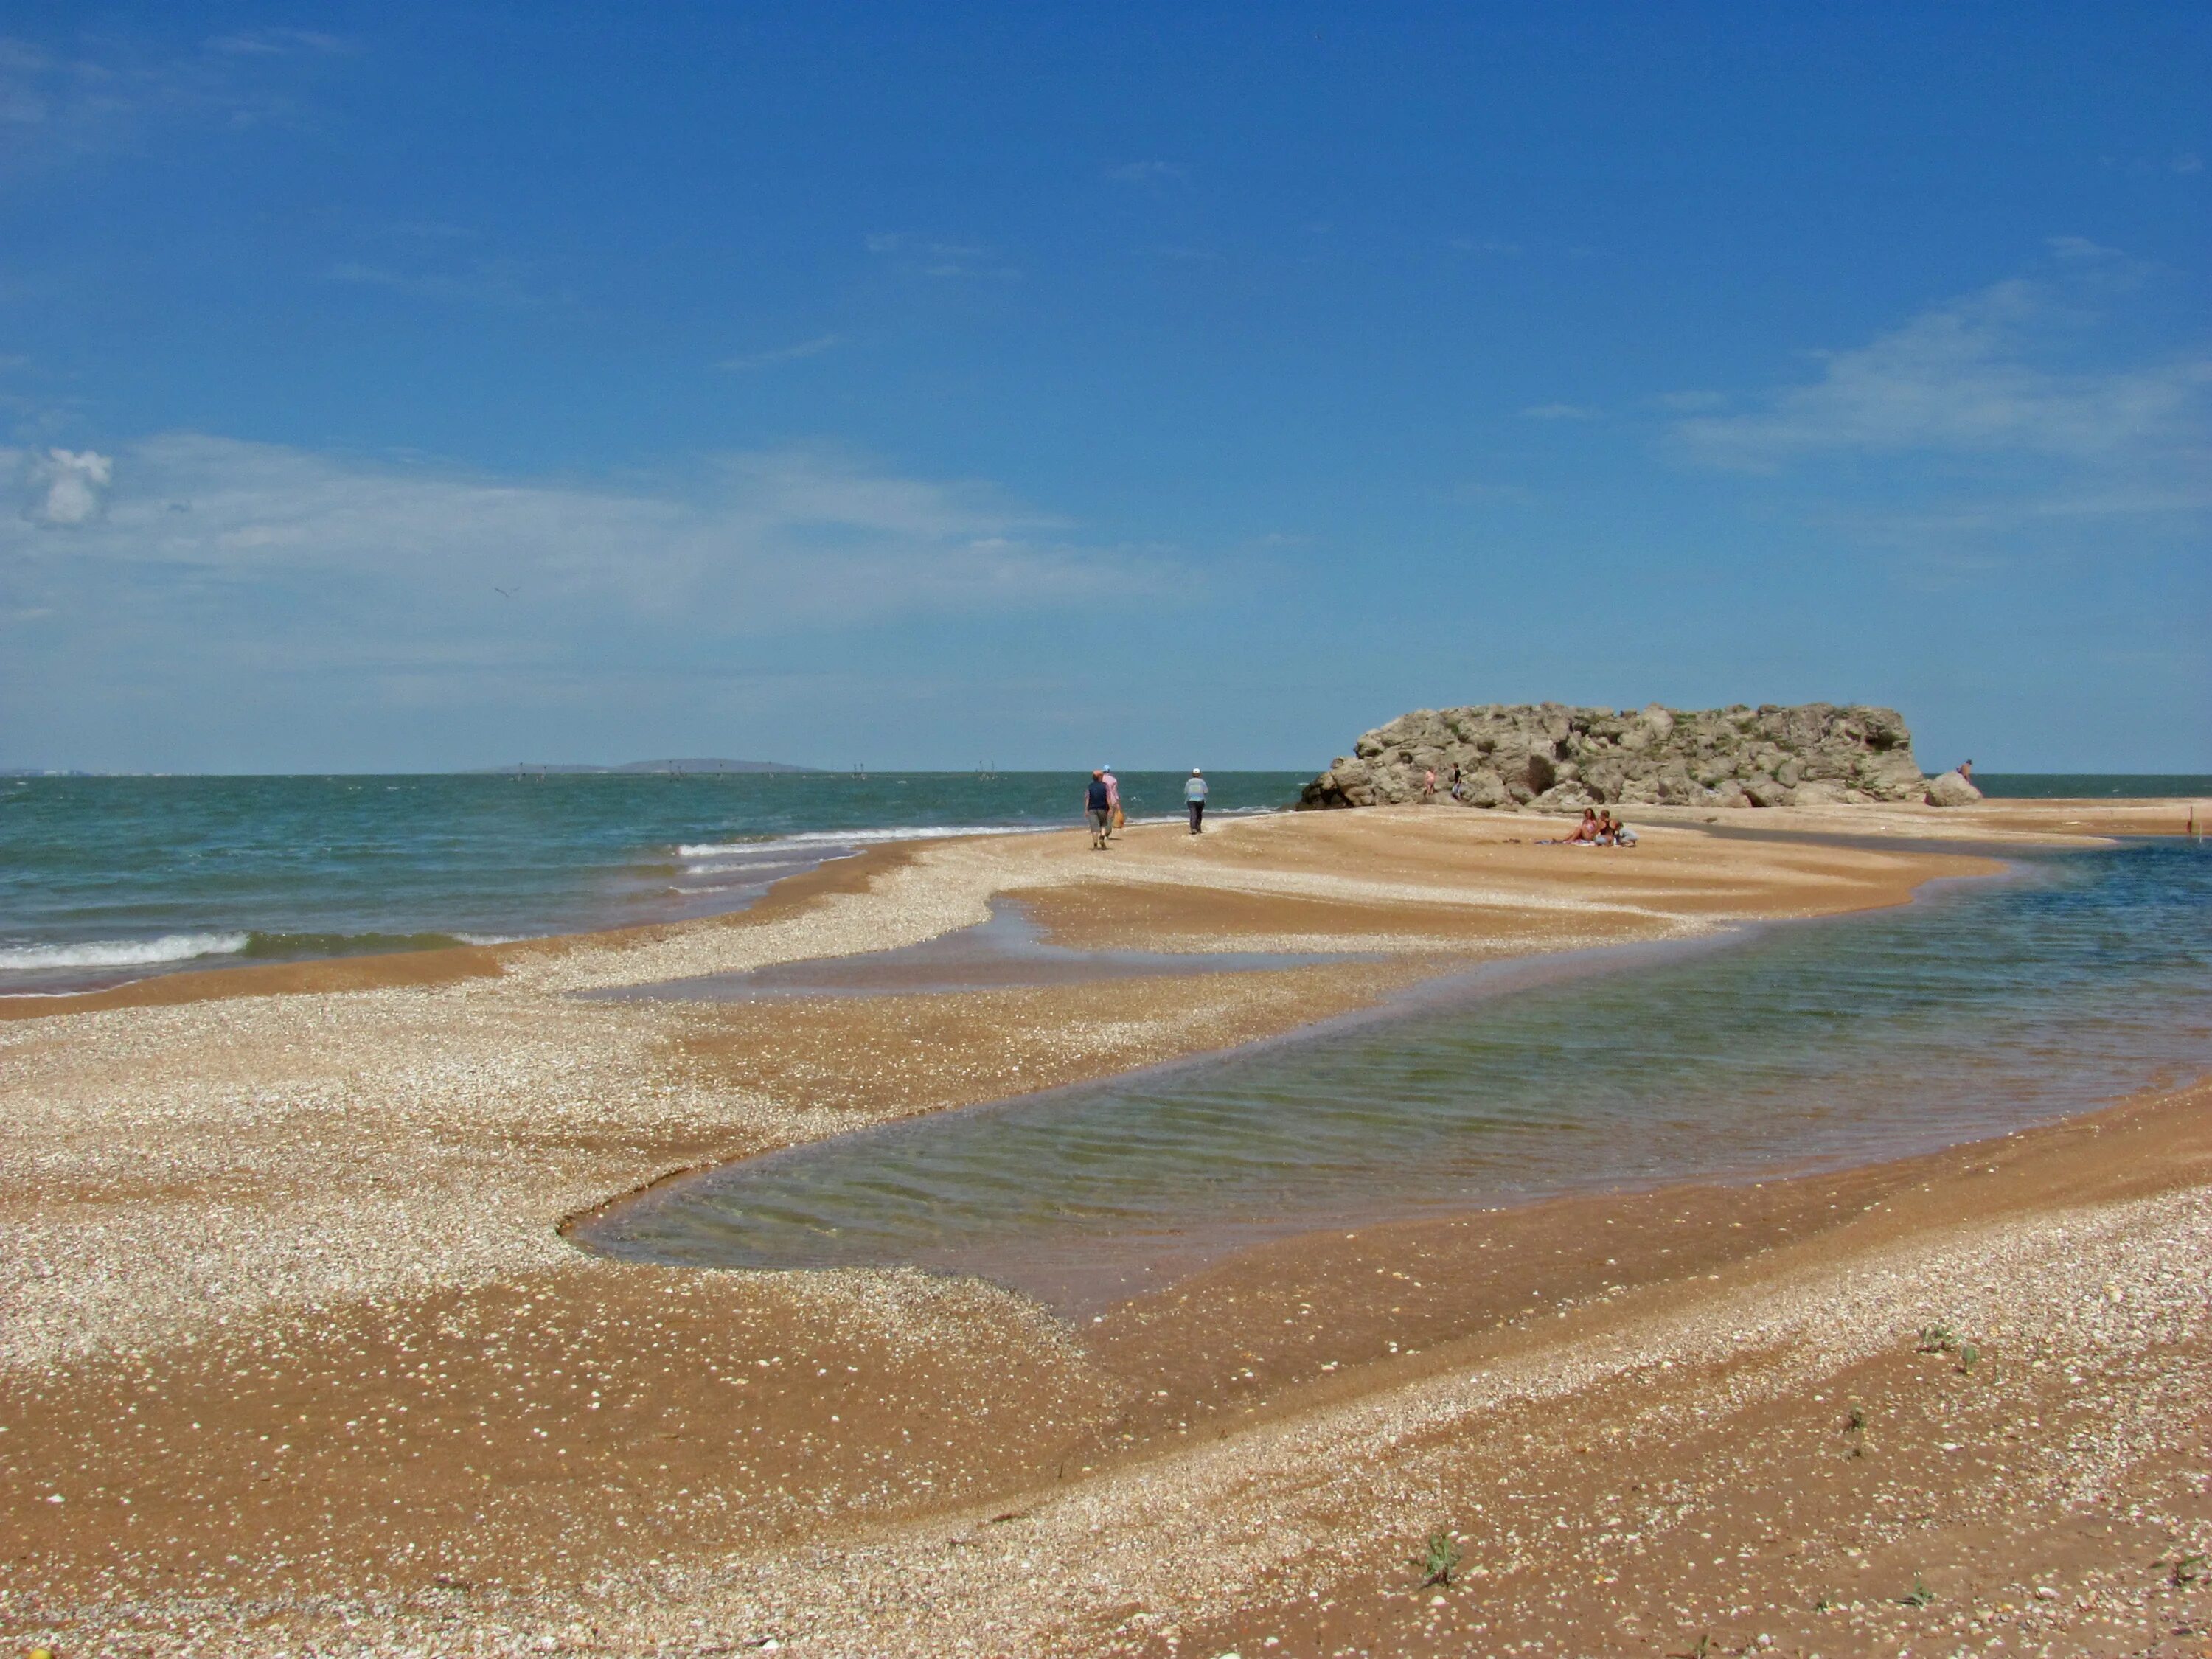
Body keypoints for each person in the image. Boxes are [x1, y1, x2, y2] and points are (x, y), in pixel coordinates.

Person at [1084, 769, 1113, 849]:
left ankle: (1095, 846)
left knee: (1094, 828)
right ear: (1100, 777)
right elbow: (1108, 798)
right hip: (1103, 808)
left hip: (1092, 809)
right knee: (1103, 825)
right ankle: (1102, 837)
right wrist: (1110, 808)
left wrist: (1086, 810)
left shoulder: (1090, 786)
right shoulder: (1105, 786)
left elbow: (1087, 799)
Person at [1184, 768, 1209, 834]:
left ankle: (1193, 829)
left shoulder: (1189, 781)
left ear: (1192, 774)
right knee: (1199, 814)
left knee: (1193, 814)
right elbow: (1206, 791)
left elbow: (1186, 791)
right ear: (1200, 774)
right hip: (1201, 800)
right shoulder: (1202, 782)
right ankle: (1198, 829)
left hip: (1191, 800)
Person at [1102, 765, 1123, 838]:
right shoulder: (1114, 780)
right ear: (1109, 771)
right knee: (1110, 818)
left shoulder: (1101, 779)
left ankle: (1102, 832)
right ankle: (1107, 833)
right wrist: (1117, 802)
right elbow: (1114, 792)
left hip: (1102, 799)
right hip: (1112, 799)